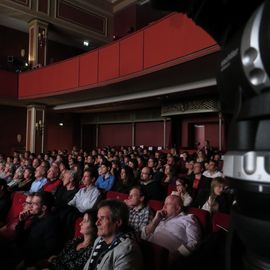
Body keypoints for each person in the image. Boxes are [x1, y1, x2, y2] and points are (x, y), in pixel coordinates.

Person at [83, 199, 143, 270]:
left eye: (102, 218)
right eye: (98, 218)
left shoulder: (128, 250)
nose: (97, 223)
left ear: (118, 222)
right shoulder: (99, 240)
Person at [141, 195, 201, 260]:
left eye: (168, 204)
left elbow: (194, 242)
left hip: (164, 258)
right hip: (144, 250)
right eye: (164, 204)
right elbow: (143, 236)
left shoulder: (188, 218)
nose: (164, 207)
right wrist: (155, 221)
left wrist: (175, 256)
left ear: (178, 208)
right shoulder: (160, 218)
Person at [15, 192, 60, 269]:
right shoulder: (37, 218)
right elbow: (20, 238)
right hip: (23, 253)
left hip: (32, 261)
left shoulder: (51, 224)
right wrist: (21, 222)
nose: (30, 206)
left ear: (43, 208)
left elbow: (49, 250)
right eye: (31, 203)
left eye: (34, 204)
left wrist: (26, 261)